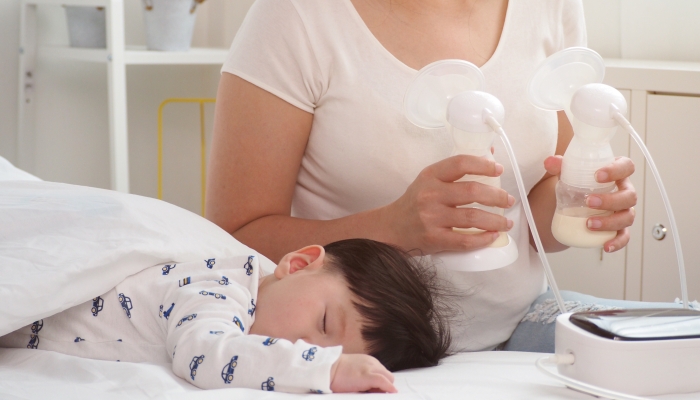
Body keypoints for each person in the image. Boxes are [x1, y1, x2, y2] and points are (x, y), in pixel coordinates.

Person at [205, 0, 637, 352]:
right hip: (366, 352)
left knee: (675, 342)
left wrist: (581, 203)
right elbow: (233, 238)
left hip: (521, 325)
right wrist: (394, 228)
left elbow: (538, 206)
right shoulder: (296, 17)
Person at [0, 239, 452, 393]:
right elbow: (204, 354)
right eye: (323, 326)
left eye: (324, 350)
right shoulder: (218, 288)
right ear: (297, 264)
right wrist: (326, 369)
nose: (303, 349)